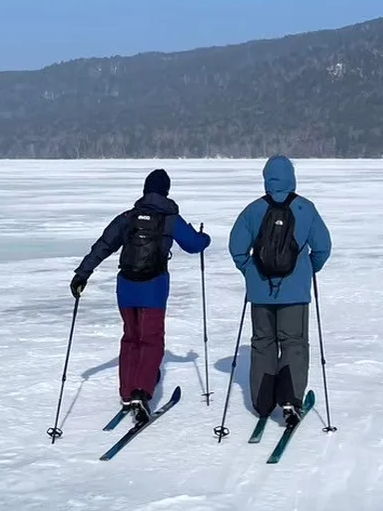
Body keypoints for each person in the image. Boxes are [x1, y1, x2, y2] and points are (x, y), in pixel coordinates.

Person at [70, 168, 210, 425]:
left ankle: (127, 392)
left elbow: (103, 245)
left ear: (146, 190)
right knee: (151, 340)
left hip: (126, 287)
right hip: (153, 288)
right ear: (166, 190)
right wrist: (204, 237)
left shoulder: (128, 217)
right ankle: (140, 393)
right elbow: (193, 245)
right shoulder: (169, 219)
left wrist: (82, 274)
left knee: (131, 338)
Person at [229, 155, 332, 426]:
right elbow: (323, 247)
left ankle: (263, 403)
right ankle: (289, 401)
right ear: (292, 177)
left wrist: (251, 271)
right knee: (294, 343)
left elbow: (237, 248)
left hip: (260, 293)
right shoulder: (305, 208)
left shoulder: (253, 210)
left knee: (263, 343)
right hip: (295, 294)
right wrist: (307, 270)